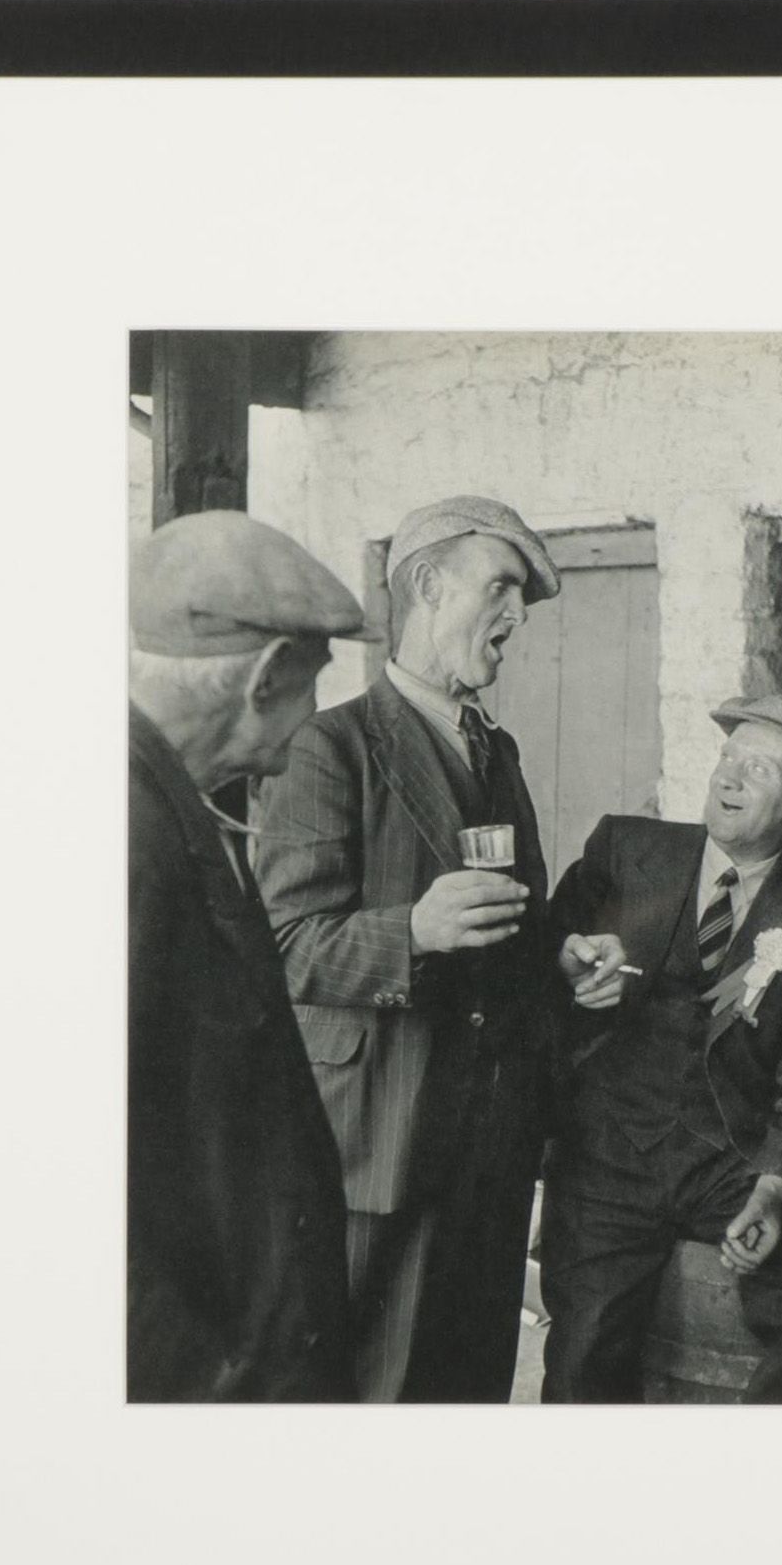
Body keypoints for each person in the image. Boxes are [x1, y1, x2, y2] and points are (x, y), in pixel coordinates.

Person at [255, 495, 609, 1401]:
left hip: (488, 1159)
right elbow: (285, 946)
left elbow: (514, 926)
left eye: (520, 599)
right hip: (382, 1151)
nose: (515, 616)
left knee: (468, 1398)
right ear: (426, 585)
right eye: (500, 587)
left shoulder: (499, 750)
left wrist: (557, 958)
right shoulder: (331, 748)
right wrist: (412, 929)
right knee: (373, 1399)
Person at [127, 509, 375, 1402]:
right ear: (267, 678)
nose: (312, 722)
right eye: (311, 689)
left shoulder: (167, 801)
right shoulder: (127, 837)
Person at [540, 692, 782, 1403]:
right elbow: (538, 964)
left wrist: (771, 1189)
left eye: (759, 770)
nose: (728, 780)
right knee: (584, 1362)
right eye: (727, 760)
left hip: (729, 1159)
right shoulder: (626, 849)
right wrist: (568, 967)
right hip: (611, 1152)